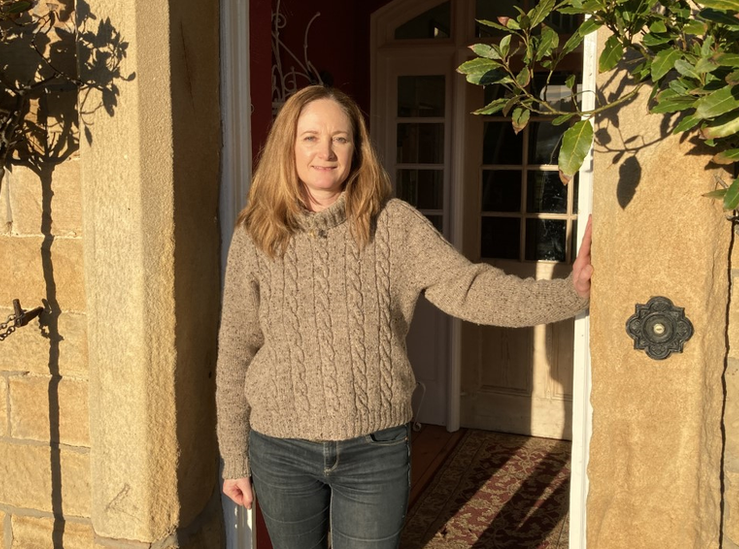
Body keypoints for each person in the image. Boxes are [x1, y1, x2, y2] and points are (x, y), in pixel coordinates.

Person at [216, 84, 593, 549]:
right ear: (287, 146)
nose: (326, 152)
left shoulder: (393, 224)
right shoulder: (256, 233)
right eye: (310, 137)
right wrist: (234, 456)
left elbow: (470, 289)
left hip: (373, 451)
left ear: (357, 149)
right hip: (279, 449)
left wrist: (570, 294)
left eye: (341, 138)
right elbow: (236, 349)